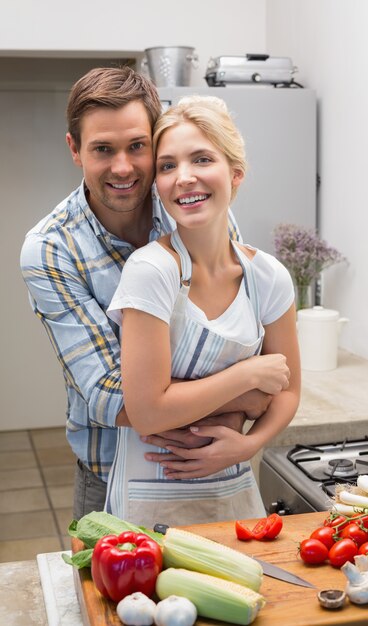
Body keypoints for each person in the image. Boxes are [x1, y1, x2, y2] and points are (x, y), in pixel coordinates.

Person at [20, 67, 273, 520]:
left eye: (137, 146)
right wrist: (246, 389)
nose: (122, 167)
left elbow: (243, 338)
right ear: (75, 150)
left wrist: (240, 395)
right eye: (102, 149)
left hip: (214, 466)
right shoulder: (51, 248)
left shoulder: (193, 207)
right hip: (108, 472)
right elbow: (105, 395)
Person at [104, 95, 301, 527]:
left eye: (201, 159)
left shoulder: (267, 276)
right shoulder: (151, 271)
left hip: (232, 488)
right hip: (150, 499)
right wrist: (248, 381)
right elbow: (148, 412)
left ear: (235, 174)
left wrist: (251, 444)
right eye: (168, 166)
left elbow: (286, 391)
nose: (184, 178)